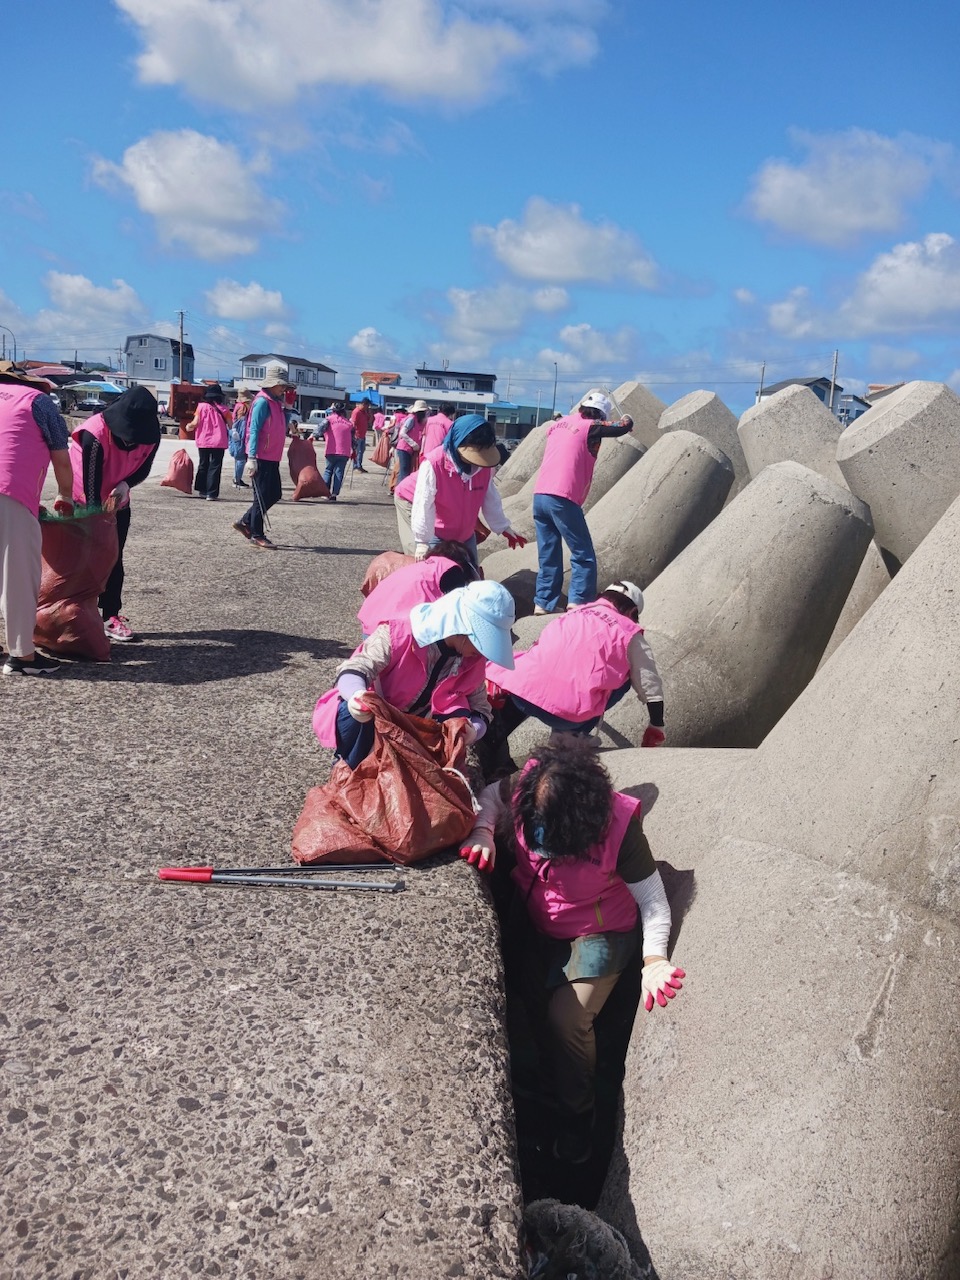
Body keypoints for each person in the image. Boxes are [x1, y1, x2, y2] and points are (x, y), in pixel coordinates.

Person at [460, 734, 684, 1163]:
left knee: (566, 1017)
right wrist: (484, 831)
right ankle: (537, 1078)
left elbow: (653, 899)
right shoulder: (532, 783)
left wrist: (654, 959)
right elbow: (490, 794)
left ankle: (578, 1116)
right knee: (527, 993)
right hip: (539, 918)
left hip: (600, 933)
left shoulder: (618, 827)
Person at [312, 580, 516, 770]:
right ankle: (349, 765)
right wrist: (357, 696)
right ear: (463, 627)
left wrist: (474, 730)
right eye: (484, 642)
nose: (484, 653)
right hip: (372, 719)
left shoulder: (472, 661)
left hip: (413, 730)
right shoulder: (400, 635)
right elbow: (356, 668)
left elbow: (481, 707)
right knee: (355, 716)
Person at [482, 581, 664, 775]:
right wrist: (656, 725)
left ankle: (494, 741)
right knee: (626, 676)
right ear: (632, 611)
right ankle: (571, 738)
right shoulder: (628, 631)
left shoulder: (573, 613)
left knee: (539, 668)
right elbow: (649, 683)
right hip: (568, 715)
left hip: (520, 693)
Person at [69, 385, 161, 642]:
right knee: (85, 558)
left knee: (114, 557)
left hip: (119, 498)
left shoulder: (151, 434)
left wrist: (126, 484)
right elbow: (91, 486)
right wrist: (96, 521)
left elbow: (143, 469)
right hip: (84, 500)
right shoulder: (95, 433)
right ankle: (78, 613)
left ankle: (110, 615)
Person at [0, 363, 75, 676]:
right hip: (10, 493)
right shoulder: (39, 402)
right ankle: (22, 657)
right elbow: (61, 457)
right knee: (17, 576)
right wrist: (65, 495)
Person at [532, 391, 634, 614]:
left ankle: (542, 603)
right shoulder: (592, 426)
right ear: (599, 414)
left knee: (548, 553)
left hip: (540, 496)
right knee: (583, 554)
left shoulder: (559, 424)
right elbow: (622, 425)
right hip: (563, 496)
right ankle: (578, 602)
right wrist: (628, 419)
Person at [394, 413, 527, 566]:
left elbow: (490, 498)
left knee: (470, 569)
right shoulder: (434, 464)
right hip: (413, 501)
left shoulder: (484, 467)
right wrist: (422, 541)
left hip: (460, 527)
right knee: (429, 567)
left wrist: (503, 527)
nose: (478, 461)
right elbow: (424, 502)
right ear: (457, 442)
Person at [357, 540, 478, 637]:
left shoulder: (418, 568)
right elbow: (455, 616)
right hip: (392, 636)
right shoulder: (450, 569)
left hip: (369, 628)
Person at [233, 364, 291, 550]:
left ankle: (245, 521)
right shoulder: (262, 402)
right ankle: (256, 533)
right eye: (281, 385)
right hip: (261, 455)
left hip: (272, 456)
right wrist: (251, 457)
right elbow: (254, 429)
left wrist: (288, 407)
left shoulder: (276, 403)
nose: (283, 389)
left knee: (274, 493)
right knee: (261, 496)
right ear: (272, 384)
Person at [187, 383, 231, 501]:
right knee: (215, 466)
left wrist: (188, 426)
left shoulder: (201, 407)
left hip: (204, 440)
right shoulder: (225, 409)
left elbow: (195, 423)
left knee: (203, 464)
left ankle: (202, 490)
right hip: (219, 441)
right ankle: (211, 493)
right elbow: (231, 425)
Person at [322, 402, 353, 500]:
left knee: (328, 471)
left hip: (330, 450)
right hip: (344, 452)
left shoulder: (328, 420)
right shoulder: (349, 423)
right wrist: (355, 450)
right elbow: (354, 439)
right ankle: (334, 494)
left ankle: (325, 492)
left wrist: (312, 436)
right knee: (339, 472)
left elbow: (319, 429)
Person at [395, 399, 430, 483]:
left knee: (406, 470)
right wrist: (413, 444)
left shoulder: (418, 420)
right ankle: (400, 492)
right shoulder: (411, 419)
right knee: (404, 471)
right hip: (404, 448)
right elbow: (402, 433)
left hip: (409, 449)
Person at [230, 389, 254, 488]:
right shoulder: (243, 408)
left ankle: (237, 478)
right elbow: (241, 423)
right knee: (241, 459)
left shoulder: (238, 406)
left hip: (235, 434)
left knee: (239, 458)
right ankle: (237, 479)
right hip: (240, 435)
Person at [350, 397, 373, 473]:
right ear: (363, 404)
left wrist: (369, 413)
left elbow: (369, 421)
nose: (368, 407)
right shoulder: (356, 412)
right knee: (358, 451)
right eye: (367, 406)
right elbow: (353, 423)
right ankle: (356, 466)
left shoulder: (364, 412)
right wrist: (354, 435)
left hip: (363, 435)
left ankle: (359, 465)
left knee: (362, 451)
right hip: (357, 435)